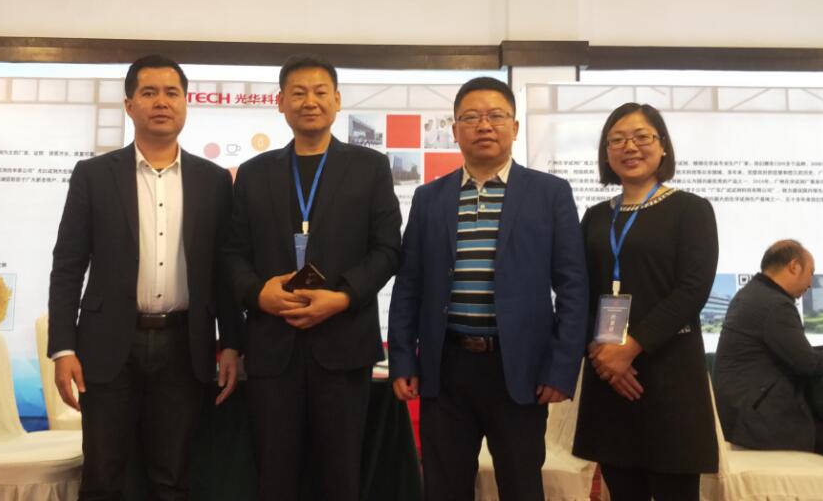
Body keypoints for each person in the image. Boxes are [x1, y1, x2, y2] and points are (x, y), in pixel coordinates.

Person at [48, 54, 242, 501]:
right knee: (103, 476)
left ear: (186, 103)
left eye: (172, 93)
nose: (161, 102)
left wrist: (232, 342)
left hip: (184, 345)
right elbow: (68, 264)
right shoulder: (94, 176)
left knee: (173, 476)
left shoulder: (213, 181)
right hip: (108, 345)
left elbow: (223, 269)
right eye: (149, 92)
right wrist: (63, 347)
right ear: (129, 105)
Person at [387, 77, 589, 501]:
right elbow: (409, 285)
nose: (484, 125)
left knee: (521, 486)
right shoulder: (429, 198)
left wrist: (560, 368)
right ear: (454, 129)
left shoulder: (550, 193)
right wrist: (403, 357)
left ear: (514, 127)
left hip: (520, 369)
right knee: (444, 488)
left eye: (496, 116)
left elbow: (573, 286)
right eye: (471, 117)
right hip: (447, 368)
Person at [224, 54, 402, 501]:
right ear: (280, 102)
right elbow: (232, 254)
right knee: (275, 476)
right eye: (298, 93)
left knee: (340, 476)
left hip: (344, 344)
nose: (310, 101)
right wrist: (258, 294)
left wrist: (343, 297)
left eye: (321, 92)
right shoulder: (254, 173)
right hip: (272, 346)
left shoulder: (370, 167)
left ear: (337, 100)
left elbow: (387, 249)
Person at [573, 102, 719, 501]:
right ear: (606, 152)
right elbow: (579, 291)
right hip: (609, 377)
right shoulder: (595, 217)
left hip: (669, 374)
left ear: (663, 145)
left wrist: (630, 348)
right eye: (617, 140)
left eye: (641, 137)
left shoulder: (691, 210)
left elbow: (692, 289)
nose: (630, 147)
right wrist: (603, 356)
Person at [714, 239, 823, 500]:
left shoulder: (752, 294)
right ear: (794, 266)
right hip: (763, 423)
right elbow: (807, 364)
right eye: (811, 273)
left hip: (741, 416)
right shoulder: (776, 304)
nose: (810, 283)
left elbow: (783, 351)